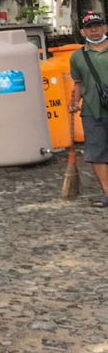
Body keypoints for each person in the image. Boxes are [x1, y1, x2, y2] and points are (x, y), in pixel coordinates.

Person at [69, 11, 108, 208]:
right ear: (82, 31)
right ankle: (107, 193)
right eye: (89, 27)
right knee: (97, 153)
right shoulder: (77, 57)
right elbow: (78, 83)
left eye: (98, 26)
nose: (94, 30)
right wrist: (74, 102)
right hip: (92, 111)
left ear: (105, 28)